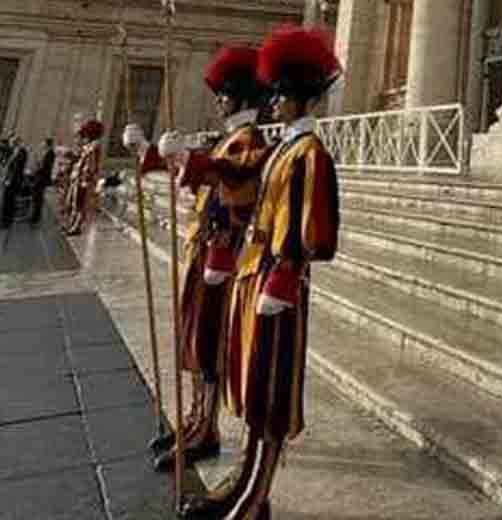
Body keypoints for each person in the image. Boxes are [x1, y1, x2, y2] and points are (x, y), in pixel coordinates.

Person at [179, 24, 341, 519]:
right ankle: (245, 481)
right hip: (254, 277)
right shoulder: (286, 149)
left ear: (296, 98)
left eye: (280, 95)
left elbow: (312, 222)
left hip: (276, 286)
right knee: (251, 387)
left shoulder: (310, 154)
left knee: (269, 393)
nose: (272, 102)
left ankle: (255, 498)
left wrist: (285, 276)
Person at [125, 44, 274, 475]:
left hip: (225, 262)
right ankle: (194, 418)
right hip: (204, 254)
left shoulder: (250, 140)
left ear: (241, 96)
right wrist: (149, 153)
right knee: (193, 339)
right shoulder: (228, 138)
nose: (218, 100)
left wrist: (188, 159)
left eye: (225, 93)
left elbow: (233, 175)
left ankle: (207, 428)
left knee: (208, 344)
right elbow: (202, 172)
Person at [63, 120, 104, 236]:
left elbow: (91, 164)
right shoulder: (89, 146)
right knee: (75, 203)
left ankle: (76, 226)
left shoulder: (95, 146)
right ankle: (72, 224)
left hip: (85, 179)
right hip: (79, 177)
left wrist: (87, 178)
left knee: (80, 205)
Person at [1, 137, 29, 228]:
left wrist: (9, 179)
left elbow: (16, 169)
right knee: (7, 201)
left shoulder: (21, 152)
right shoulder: (15, 151)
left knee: (9, 202)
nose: (11, 144)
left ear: (17, 142)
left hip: (13, 181)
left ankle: (7, 222)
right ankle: (5, 220)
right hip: (10, 180)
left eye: (13, 142)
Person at [29, 138, 55, 224]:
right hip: (40, 177)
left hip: (41, 178)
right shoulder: (47, 153)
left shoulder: (50, 153)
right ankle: (35, 216)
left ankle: (35, 217)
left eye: (43, 143)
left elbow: (45, 167)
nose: (42, 145)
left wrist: (37, 168)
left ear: (47, 144)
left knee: (38, 198)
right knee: (37, 197)